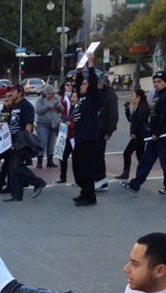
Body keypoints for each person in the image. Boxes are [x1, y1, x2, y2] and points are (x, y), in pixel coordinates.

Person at [120, 73, 166, 195]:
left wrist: (157, 133)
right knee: (146, 161)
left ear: (165, 82)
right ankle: (135, 184)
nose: (156, 84)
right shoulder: (158, 94)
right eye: (154, 82)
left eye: (159, 81)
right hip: (155, 135)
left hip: (163, 135)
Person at [2, 84, 46, 203]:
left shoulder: (26, 105)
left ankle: (38, 182)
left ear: (20, 92)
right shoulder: (14, 105)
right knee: (12, 168)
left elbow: (29, 123)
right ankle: (16, 194)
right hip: (12, 141)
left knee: (17, 166)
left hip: (21, 142)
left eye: (13, 91)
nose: (10, 93)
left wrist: (26, 140)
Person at [72, 55, 103, 206]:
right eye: (82, 84)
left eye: (85, 84)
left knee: (86, 170)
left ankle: (90, 197)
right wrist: (79, 73)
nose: (82, 86)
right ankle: (84, 192)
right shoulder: (82, 98)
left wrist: (90, 65)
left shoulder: (93, 98)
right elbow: (78, 87)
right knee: (78, 170)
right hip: (79, 138)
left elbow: (92, 83)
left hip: (88, 138)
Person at [117, 88, 149, 180]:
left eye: (133, 95)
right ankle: (141, 174)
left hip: (140, 135)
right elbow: (131, 120)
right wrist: (127, 110)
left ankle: (129, 173)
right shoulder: (137, 106)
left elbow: (141, 121)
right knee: (140, 155)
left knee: (128, 153)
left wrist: (134, 132)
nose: (132, 98)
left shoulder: (143, 107)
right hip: (138, 134)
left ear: (138, 97)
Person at [95, 76, 119, 191]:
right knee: (96, 155)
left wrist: (109, 131)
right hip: (95, 129)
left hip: (102, 130)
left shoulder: (110, 94)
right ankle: (99, 179)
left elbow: (113, 114)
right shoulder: (98, 94)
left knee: (98, 155)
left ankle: (101, 179)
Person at [34, 84, 61, 169]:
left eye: (51, 93)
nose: (50, 95)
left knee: (51, 143)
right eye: (48, 94)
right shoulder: (40, 101)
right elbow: (38, 110)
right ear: (44, 94)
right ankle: (40, 161)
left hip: (53, 124)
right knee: (42, 142)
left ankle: (50, 160)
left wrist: (58, 106)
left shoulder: (56, 99)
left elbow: (62, 109)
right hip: (42, 124)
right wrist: (49, 106)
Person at [54, 84, 76, 185]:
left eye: (75, 96)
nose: (73, 98)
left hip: (74, 136)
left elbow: (78, 123)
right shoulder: (63, 99)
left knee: (77, 158)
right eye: (72, 96)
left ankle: (79, 179)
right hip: (66, 134)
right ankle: (63, 177)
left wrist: (70, 124)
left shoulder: (78, 108)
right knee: (62, 156)